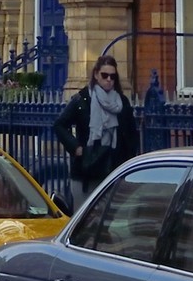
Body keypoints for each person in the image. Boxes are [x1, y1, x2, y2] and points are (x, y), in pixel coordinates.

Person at [54, 56, 138, 200]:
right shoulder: (82, 99)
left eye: (113, 76)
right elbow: (60, 125)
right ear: (96, 75)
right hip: (87, 171)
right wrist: (76, 148)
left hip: (113, 171)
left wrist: (128, 160)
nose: (109, 80)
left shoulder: (121, 102)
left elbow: (131, 134)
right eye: (104, 75)